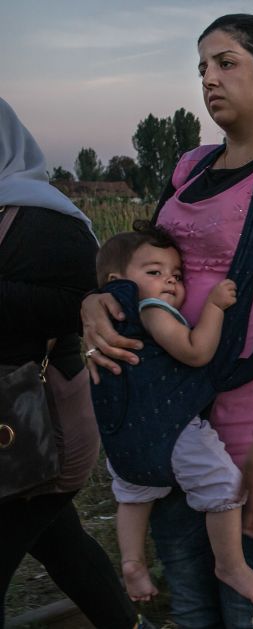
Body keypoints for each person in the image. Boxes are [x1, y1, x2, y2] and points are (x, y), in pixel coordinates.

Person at [81, 14, 253, 629]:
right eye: (203, 66)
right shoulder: (189, 168)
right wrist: (96, 300)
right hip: (177, 418)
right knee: (195, 605)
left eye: (226, 62)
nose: (210, 78)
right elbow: (136, 259)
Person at [0, 98, 150, 628]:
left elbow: (89, 304)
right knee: (64, 547)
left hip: (43, 426)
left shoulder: (45, 220)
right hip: (15, 430)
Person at [95, 223, 253, 604]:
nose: (170, 283)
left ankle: (132, 562)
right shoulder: (151, 309)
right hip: (169, 426)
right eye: (154, 272)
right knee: (224, 484)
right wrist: (213, 306)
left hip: (124, 438)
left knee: (133, 494)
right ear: (117, 281)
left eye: (176, 275)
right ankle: (231, 564)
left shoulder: (108, 322)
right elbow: (195, 351)